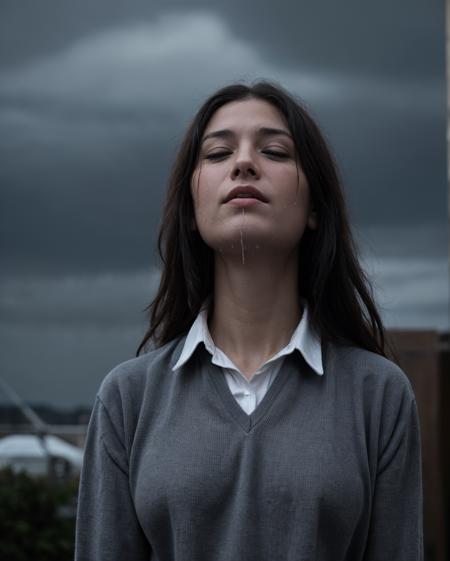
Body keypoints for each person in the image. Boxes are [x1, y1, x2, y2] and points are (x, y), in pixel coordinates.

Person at [75, 81, 423, 561]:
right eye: (217, 153)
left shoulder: (379, 394)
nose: (243, 163)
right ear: (193, 212)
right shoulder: (127, 399)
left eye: (275, 151)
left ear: (316, 210)